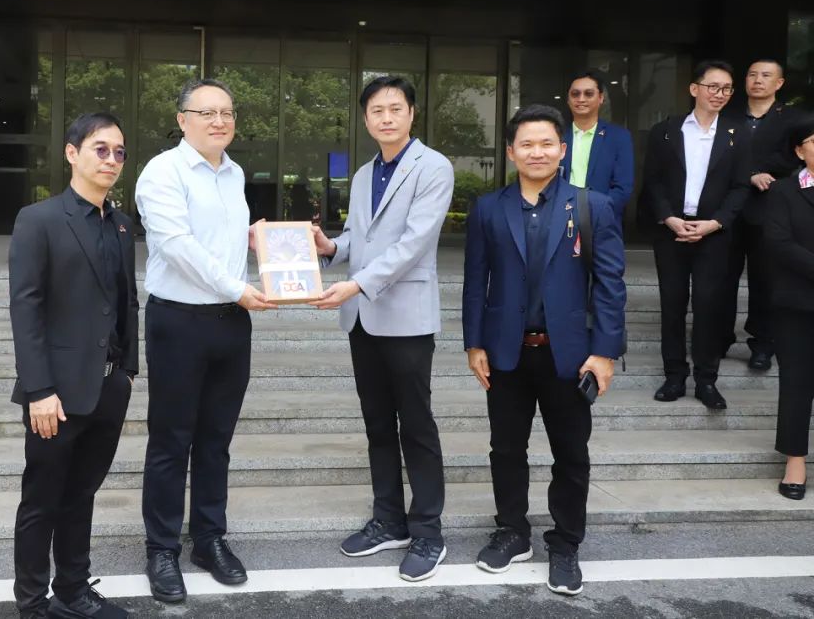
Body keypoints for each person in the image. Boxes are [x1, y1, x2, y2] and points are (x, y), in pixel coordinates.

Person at [463, 104, 625, 597]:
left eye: (547, 143)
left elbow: (610, 286)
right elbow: (475, 281)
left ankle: (565, 543)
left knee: (570, 453)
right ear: (511, 152)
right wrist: (474, 343)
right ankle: (512, 531)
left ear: (562, 149)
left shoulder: (593, 206)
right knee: (506, 449)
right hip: (506, 352)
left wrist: (605, 352)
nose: (537, 152)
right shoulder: (488, 208)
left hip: (570, 356)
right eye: (527, 144)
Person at [135, 78, 275, 604]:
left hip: (231, 324)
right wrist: (237, 288)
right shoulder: (162, 172)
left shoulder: (233, 173)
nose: (220, 121)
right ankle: (161, 548)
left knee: (216, 440)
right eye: (207, 112)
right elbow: (177, 246)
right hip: (179, 323)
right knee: (171, 441)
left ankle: (209, 539)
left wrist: (260, 241)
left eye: (227, 113)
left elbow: (217, 239)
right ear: (182, 120)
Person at [312, 75, 455, 583]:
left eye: (396, 108)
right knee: (377, 425)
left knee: (416, 426)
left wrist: (355, 285)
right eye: (377, 110)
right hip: (363, 318)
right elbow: (360, 237)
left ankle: (428, 532)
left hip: (406, 318)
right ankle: (389, 520)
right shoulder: (363, 173)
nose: (387, 117)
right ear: (366, 119)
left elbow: (414, 244)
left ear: (412, 113)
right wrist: (332, 248)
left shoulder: (433, 167)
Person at [9, 112, 137, 619]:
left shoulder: (121, 225)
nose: (111, 160)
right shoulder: (38, 220)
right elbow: (26, 309)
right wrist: (39, 390)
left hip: (107, 388)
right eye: (100, 149)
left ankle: (73, 590)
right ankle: (32, 604)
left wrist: (127, 372)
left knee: (81, 495)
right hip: (55, 395)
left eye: (119, 152)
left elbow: (125, 303)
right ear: (72, 153)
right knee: (42, 501)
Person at [640, 60, 751, 410]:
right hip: (671, 230)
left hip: (714, 234)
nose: (720, 94)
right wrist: (669, 218)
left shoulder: (738, 134)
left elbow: (741, 187)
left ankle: (706, 379)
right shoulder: (666, 131)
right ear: (694, 89)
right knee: (672, 304)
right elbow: (653, 181)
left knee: (708, 306)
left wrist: (715, 223)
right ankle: (674, 376)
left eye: (726, 89)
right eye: (713, 86)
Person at [720, 59, 802, 370]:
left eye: (766, 75)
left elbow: (793, 159)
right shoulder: (725, 115)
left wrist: (757, 170)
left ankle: (763, 344)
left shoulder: (794, 119)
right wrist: (751, 173)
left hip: (769, 209)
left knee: (765, 280)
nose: (758, 80)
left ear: (779, 83)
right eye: (752, 74)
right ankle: (717, 338)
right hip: (726, 209)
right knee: (720, 278)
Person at [762, 114, 814, 501]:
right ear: (799, 151)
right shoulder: (783, 191)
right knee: (797, 383)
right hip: (797, 303)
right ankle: (795, 459)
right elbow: (778, 243)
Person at [559, 70, 635, 218]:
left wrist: (596, 212)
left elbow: (623, 188)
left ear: (601, 98)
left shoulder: (619, 137)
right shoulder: (556, 137)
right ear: (568, 99)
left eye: (588, 94)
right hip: (559, 217)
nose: (581, 99)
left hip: (602, 218)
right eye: (575, 94)